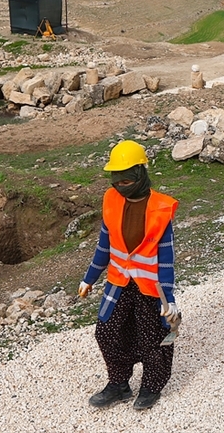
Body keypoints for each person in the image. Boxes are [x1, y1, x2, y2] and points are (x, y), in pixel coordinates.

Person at [79, 140, 179, 411]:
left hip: (150, 287)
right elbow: (104, 246)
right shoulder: (111, 200)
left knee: (152, 337)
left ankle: (151, 386)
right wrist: (89, 278)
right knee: (106, 331)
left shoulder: (160, 209)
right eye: (116, 180)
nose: (120, 185)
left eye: (126, 180)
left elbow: (166, 260)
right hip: (119, 282)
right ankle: (119, 383)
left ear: (139, 173)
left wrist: (168, 299)